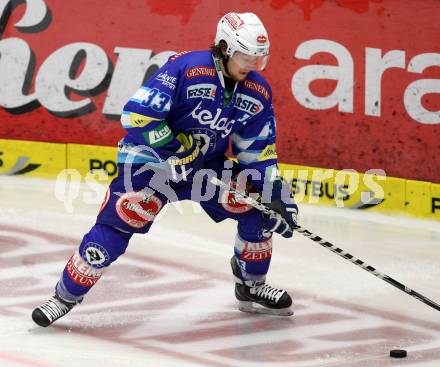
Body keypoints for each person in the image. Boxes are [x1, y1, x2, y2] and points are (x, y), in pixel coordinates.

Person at [32, 12, 299, 327]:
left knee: (256, 209)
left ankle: (250, 286)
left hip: (203, 167)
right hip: (151, 160)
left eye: (259, 58)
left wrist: (274, 191)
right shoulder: (187, 69)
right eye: (245, 56)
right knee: (123, 217)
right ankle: (64, 295)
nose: (252, 65)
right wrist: (173, 148)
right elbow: (136, 116)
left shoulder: (257, 92)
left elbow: (257, 149)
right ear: (225, 48)